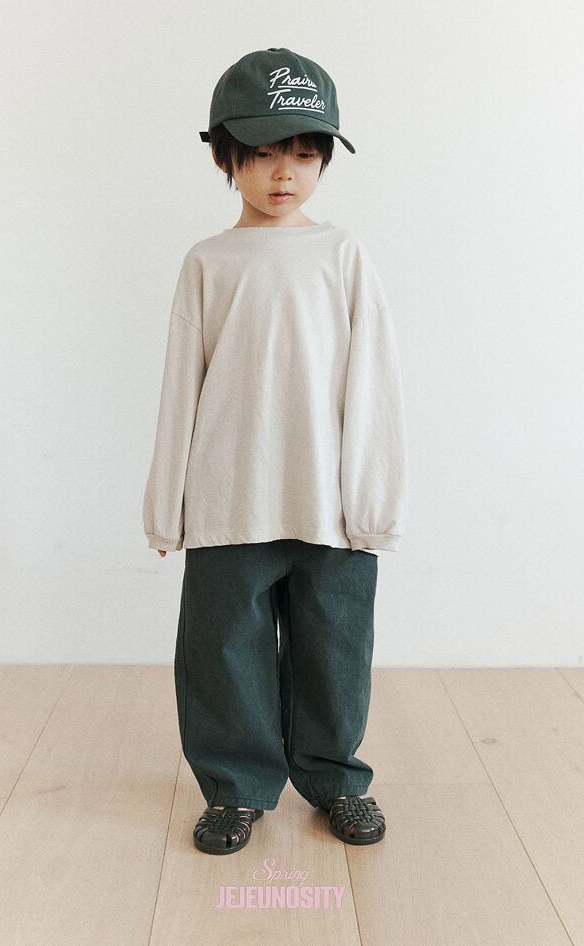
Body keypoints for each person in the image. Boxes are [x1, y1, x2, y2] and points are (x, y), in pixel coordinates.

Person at [142, 46, 408, 855]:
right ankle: (235, 789)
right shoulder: (208, 262)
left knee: (335, 648)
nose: (283, 172)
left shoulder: (342, 255)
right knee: (224, 652)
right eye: (261, 153)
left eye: (303, 152)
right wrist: (167, 506)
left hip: (329, 500)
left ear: (325, 156)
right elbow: (181, 386)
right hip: (230, 496)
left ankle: (336, 779)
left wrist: (372, 504)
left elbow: (373, 382)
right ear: (225, 157)